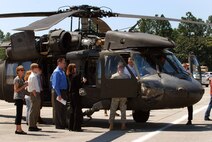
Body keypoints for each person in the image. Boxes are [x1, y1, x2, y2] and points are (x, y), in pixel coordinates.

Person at [109, 62, 129, 130]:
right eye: (120, 67)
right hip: (122, 95)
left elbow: (110, 85)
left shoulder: (114, 76)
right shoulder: (126, 76)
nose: (120, 68)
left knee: (114, 110)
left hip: (117, 95)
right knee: (121, 110)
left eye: (121, 67)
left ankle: (112, 125)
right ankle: (120, 125)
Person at [66, 63, 87, 131]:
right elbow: (79, 85)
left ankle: (71, 126)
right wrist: (83, 81)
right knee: (77, 111)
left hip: (71, 94)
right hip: (76, 95)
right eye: (74, 67)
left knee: (73, 111)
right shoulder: (76, 76)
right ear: (72, 69)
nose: (75, 69)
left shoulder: (69, 75)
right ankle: (77, 127)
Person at [51, 58, 68, 129]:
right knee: (58, 109)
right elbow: (55, 85)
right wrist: (59, 94)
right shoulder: (57, 72)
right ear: (59, 63)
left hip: (63, 91)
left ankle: (63, 123)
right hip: (59, 92)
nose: (65, 64)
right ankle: (58, 125)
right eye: (63, 63)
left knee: (63, 108)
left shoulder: (62, 71)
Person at [13, 65, 28, 135]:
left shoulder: (21, 78)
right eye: (21, 70)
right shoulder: (17, 79)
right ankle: (18, 129)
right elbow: (16, 90)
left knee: (19, 113)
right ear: (18, 71)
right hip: (18, 98)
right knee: (19, 114)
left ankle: (18, 128)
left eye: (23, 70)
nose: (23, 71)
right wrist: (24, 86)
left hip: (21, 98)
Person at [27, 63, 42, 131]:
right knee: (34, 110)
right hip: (35, 94)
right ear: (33, 69)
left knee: (36, 110)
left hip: (36, 93)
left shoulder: (35, 76)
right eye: (36, 67)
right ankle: (32, 125)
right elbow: (32, 87)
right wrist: (35, 94)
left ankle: (34, 124)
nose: (38, 68)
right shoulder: (32, 76)